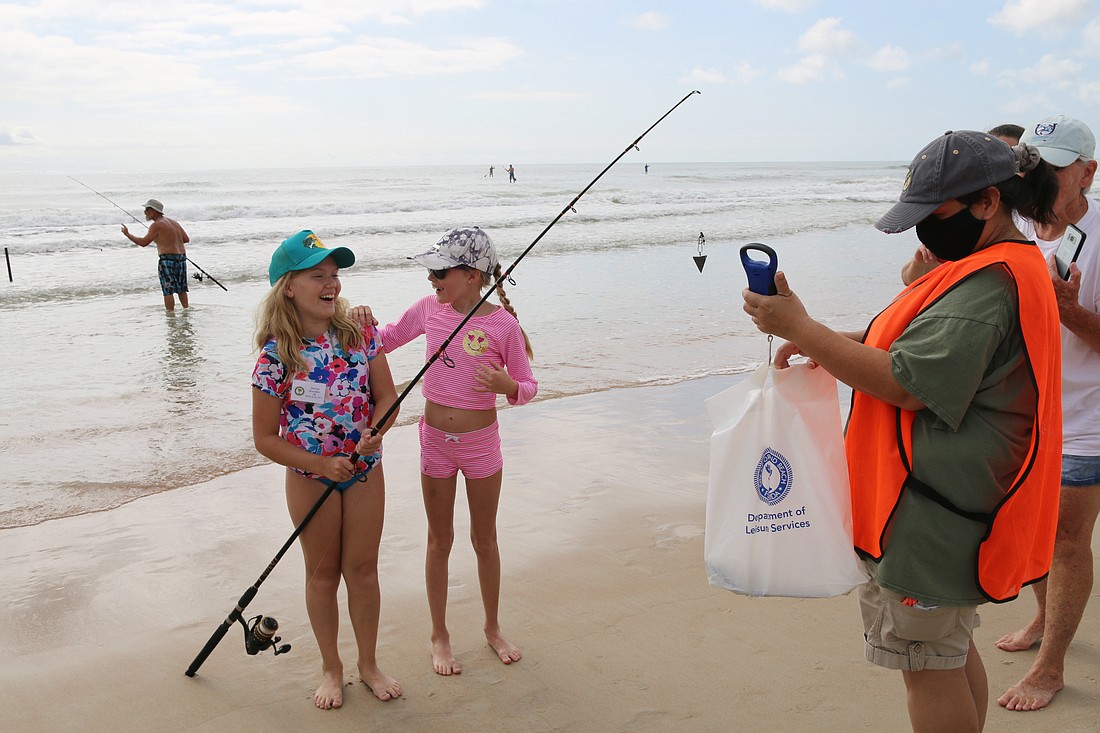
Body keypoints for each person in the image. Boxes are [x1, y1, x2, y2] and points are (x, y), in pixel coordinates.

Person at [743, 130, 1063, 733]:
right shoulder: (993, 266)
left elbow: (907, 383)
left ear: (988, 203)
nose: (923, 233)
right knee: (948, 648)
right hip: (952, 512)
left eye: (932, 216)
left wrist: (805, 328)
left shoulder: (989, 284)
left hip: (931, 520)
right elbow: (924, 347)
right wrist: (834, 341)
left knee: (927, 665)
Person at [374, 226, 537, 676]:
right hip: (434, 443)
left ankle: (491, 627)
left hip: (482, 445)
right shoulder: (430, 309)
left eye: (440, 271)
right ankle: (439, 635)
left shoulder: (503, 325)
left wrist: (508, 387)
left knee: (484, 539)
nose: (431, 279)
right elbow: (384, 338)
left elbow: (528, 387)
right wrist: (352, 320)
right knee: (438, 539)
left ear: (471, 274)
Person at [251, 230, 402, 709]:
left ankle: (369, 664)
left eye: (334, 275)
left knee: (362, 570)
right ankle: (331, 668)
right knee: (322, 576)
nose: (330, 283)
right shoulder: (274, 357)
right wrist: (319, 463)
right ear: (288, 287)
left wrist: (375, 430)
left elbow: (386, 398)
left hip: (364, 469)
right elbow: (265, 439)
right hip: (309, 476)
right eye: (317, 275)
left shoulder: (360, 334)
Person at [994, 115, 1100, 712]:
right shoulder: (1017, 230)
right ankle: (1042, 617)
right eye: (1033, 165)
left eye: (1054, 167)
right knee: (1030, 525)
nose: (1038, 178)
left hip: (1088, 416)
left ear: (1088, 172)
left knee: (1065, 539)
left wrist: (1070, 311)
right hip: (1025, 411)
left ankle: (1051, 666)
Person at [901, 126, 1025, 285]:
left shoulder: (1000, 261)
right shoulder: (970, 242)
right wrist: (921, 262)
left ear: (987, 203)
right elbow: (908, 277)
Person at [121, 198, 191, 311]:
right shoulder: (174, 222)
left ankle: (170, 315)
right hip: (181, 258)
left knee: (168, 289)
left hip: (167, 260)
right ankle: (186, 310)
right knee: (181, 289)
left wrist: (128, 234)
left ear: (153, 211)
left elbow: (143, 243)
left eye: (146, 209)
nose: (145, 212)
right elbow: (186, 239)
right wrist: (168, 240)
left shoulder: (156, 225)